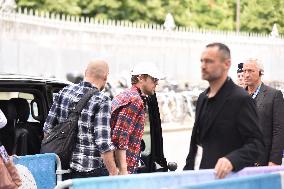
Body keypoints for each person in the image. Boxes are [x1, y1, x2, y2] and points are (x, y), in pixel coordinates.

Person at [183, 43, 264, 179]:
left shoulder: (241, 99)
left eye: (209, 61)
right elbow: (196, 143)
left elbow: (256, 144)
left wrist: (232, 160)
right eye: (202, 61)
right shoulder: (203, 97)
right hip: (200, 177)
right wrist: (187, 172)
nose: (203, 65)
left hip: (226, 179)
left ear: (226, 64)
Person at [43, 60, 118, 178]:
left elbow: (47, 130)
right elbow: (103, 143)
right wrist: (114, 173)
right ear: (105, 76)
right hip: (89, 172)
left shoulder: (64, 92)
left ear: (85, 72)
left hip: (61, 169)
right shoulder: (102, 100)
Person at [111, 62, 163, 174]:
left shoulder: (126, 95)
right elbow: (120, 138)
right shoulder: (135, 100)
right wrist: (123, 170)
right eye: (154, 79)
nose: (157, 83)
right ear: (141, 78)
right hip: (123, 168)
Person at [243, 58, 284, 166]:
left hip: (263, 161)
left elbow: (279, 130)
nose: (246, 75)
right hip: (240, 160)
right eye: (244, 71)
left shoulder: (274, 95)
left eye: (251, 71)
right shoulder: (238, 96)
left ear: (261, 73)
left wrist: (274, 160)